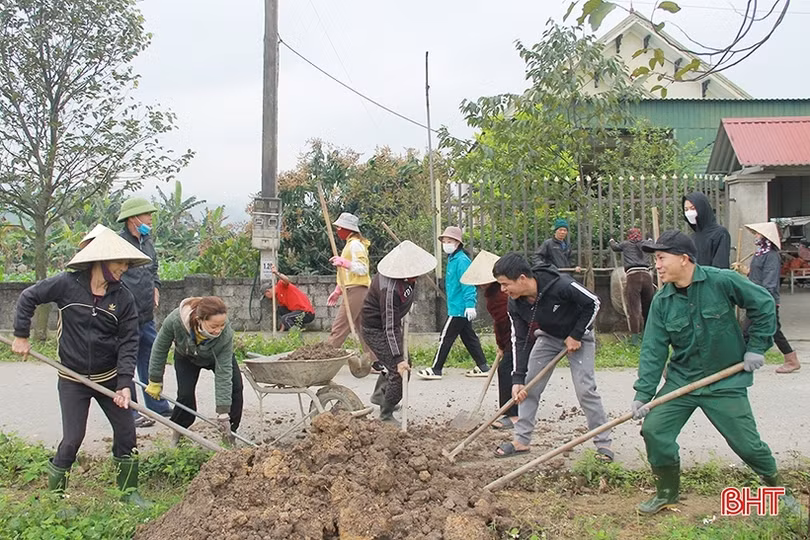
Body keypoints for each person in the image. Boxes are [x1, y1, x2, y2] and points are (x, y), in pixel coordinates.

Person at [631, 230, 798, 515]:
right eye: (655, 259)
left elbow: (764, 303)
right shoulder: (662, 301)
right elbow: (653, 350)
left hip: (724, 381)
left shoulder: (722, 281)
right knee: (654, 430)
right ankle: (667, 493)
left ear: (684, 259)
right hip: (682, 381)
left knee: (748, 446)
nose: (656, 265)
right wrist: (643, 394)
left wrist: (757, 346)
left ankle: (778, 491)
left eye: (661, 258)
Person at [11, 229, 152, 506]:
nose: (124, 268)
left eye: (126, 263)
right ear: (101, 260)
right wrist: (21, 335)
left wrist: (124, 383)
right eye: (119, 262)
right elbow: (29, 297)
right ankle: (56, 498)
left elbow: (129, 342)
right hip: (72, 378)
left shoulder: (124, 298)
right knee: (73, 438)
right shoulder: (67, 284)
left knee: (127, 433)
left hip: (110, 377)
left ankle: (128, 493)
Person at [492, 253, 613, 461]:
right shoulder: (515, 303)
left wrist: (576, 334)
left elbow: (593, 303)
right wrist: (518, 378)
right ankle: (521, 440)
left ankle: (603, 443)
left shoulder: (561, 285)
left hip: (579, 338)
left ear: (522, 278)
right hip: (548, 337)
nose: (502, 290)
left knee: (585, 389)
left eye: (505, 284)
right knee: (528, 387)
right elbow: (520, 339)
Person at [146, 296, 243, 445]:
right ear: (199, 320)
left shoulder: (225, 334)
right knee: (185, 395)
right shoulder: (175, 321)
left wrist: (223, 412)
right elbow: (160, 348)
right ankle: (179, 431)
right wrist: (155, 379)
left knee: (235, 388)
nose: (218, 330)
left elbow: (224, 373)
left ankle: (229, 433)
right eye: (213, 326)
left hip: (216, 356)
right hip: (187, 357)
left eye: (222, 325)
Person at [363, 241, 437, 424]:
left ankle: (380, 395)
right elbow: (389, 327)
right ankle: (386, 414)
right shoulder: (389, 288)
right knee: (400, 370)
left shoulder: (407, 279)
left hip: (389, 325)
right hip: (376, 330)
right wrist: (398, 359)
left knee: (402, 363)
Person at [117, 196, 171, 427]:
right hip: (124, 316)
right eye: (147, 214)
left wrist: (155, 288)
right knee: (125, 362)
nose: (150, 218)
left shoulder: (147, 242)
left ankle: (157, 405)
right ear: (133, 218)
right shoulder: (118, 244)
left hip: (146, 314)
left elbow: (153, 270)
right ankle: (130, 411)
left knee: (151, 360)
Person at [417, 226, 490, 380]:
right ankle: (483, 366)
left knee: (445, 338)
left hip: (460, 308)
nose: (446, 244)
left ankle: (436, 369)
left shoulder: (462, 261)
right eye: (444, 241)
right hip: (457, 306)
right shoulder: (453, 259)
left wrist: (470, 305)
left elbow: (468, 283)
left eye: (449, 241)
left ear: (458, 243)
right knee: (469, 337)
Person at [460, 250, 518, 430]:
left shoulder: (499, 294)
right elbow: (500, 322)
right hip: (512, 335)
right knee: (512, 370)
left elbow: (503, 322)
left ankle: (512, 414)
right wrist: (501, 345)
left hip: (517, 336)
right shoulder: (494, 292)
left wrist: (503, 345)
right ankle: (512, 410)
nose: (480, 285)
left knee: (507, 369)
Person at [740, 222, 800, 374]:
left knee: (765, 330)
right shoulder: (760, 253)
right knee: (766, 330)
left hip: (765, 300)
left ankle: (791, 360)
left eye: (758, 234)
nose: (755, 236)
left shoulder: (772, 256)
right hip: (756, 299)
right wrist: (745, 271)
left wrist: (762, 300)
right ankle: (790, 359)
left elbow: (770, 283)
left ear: (766, 237)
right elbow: (757, 275)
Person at [609, 228, 654, 345]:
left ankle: (635, 339)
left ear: (628, 236)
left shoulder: (625, 244)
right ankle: (647, 336)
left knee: (634, 309)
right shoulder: (646, 243)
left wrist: (611, 239)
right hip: (647, 276)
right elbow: (652, 244)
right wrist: (650, 237)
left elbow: (614, 247)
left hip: (633, 277)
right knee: (648, 308)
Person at [683, 192, 730, 269]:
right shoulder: (693, 237)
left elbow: (720, 266)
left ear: (702, 208)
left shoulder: (720, 233)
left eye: (692, 208)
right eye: (686, 209)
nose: (689, 213)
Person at [264, 264, 315, 331]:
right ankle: (299, 327)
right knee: (281, 309)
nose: (267, 297)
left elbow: (286, 280)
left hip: (306, 313)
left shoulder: (280, 285)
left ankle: (295, 333)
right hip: (296, 312)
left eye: (266, 295)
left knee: (286, 319)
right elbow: (283, 313)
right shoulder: (279, 297)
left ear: (268, 291)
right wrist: (281, 330)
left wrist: (276, 273)